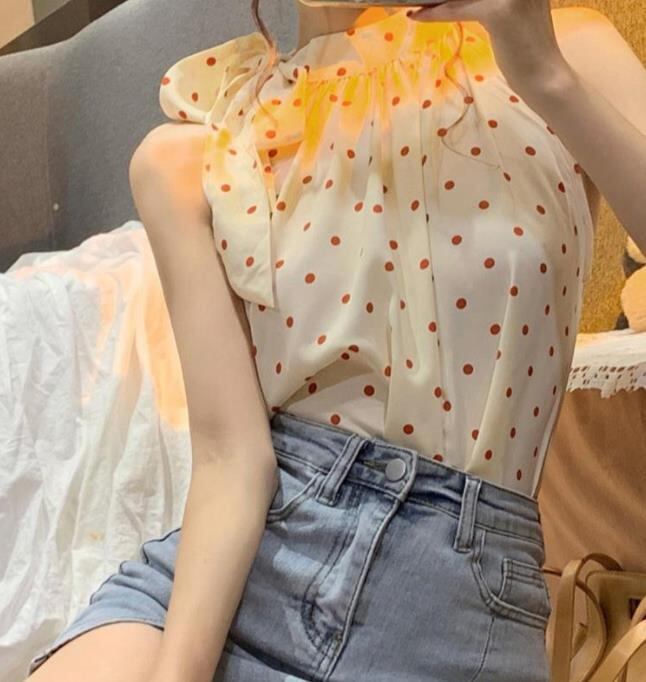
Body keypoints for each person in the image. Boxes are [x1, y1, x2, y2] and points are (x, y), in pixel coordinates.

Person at [25, 1, 646, 681]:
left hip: (456, 606)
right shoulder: (202, 150)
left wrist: (546, 75)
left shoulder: (560, 50)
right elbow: (234, 460)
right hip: (249, 565)